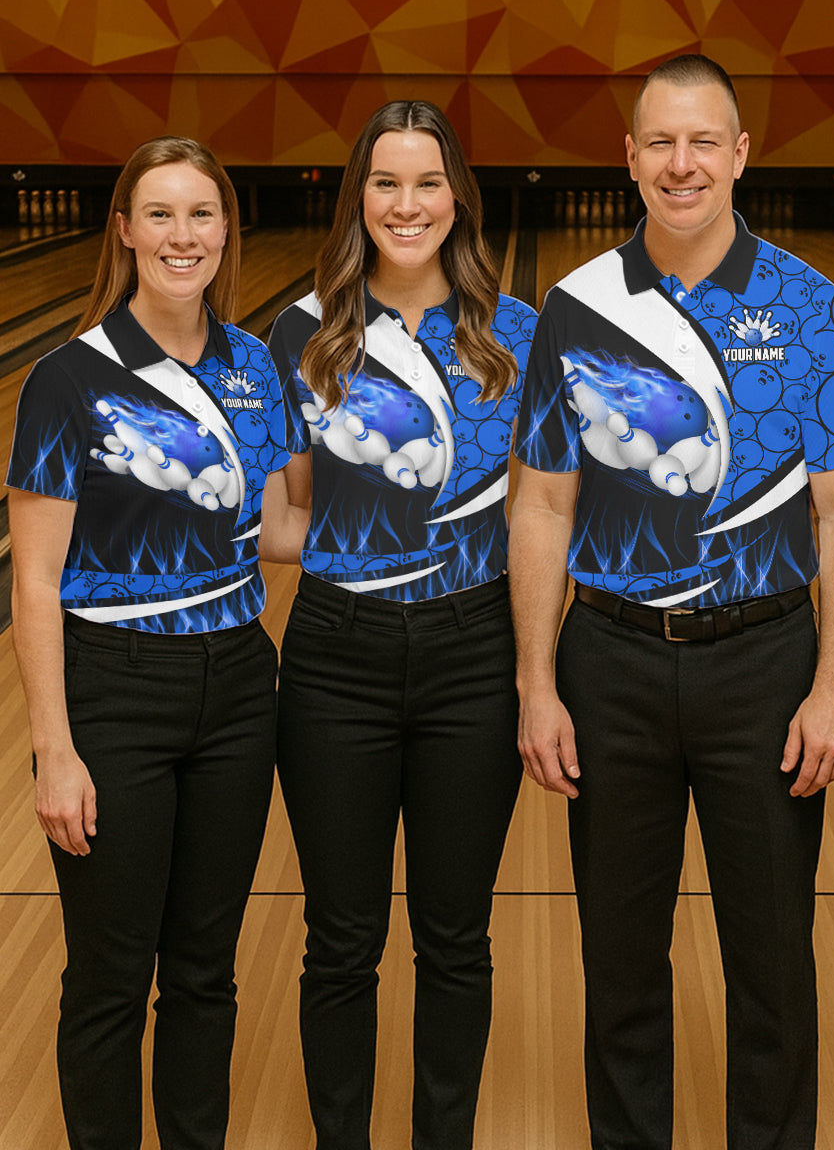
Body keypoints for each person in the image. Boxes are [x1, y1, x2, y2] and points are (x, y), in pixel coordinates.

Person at [510, 54, 834, 1149]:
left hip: (765, 664)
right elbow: (542, 503)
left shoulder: (809, 305)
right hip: (611, 660)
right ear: (629, 159)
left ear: (740, 155)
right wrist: (536, 682)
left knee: (773, 963)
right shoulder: (576, 308)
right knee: (620, 961)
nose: (682, 164)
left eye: (703, 141)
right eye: (661, 143)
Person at [7, 136, 303, 1149]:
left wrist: (445, 526)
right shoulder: (67, 380)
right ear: (126, 231)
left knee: (204, 972)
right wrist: (54, 750)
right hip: (114, 689)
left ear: (227, 229)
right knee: (109, 975)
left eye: (202, 214)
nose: (184, 236)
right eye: (162, 215)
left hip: (237, 686)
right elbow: (34, 581)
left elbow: (276, 527)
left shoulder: (254, 365)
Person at [266, 100, 536, 1150]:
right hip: (337, 657)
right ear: (359, 198)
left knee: (456, 939)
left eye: (429, 183)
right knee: (340, 941)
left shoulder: (517, 336)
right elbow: (290, 516)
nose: (407, 204)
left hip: (477, 654)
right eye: (386, 183)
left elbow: (544, 514)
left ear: (458, 198)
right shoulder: (301, 334)